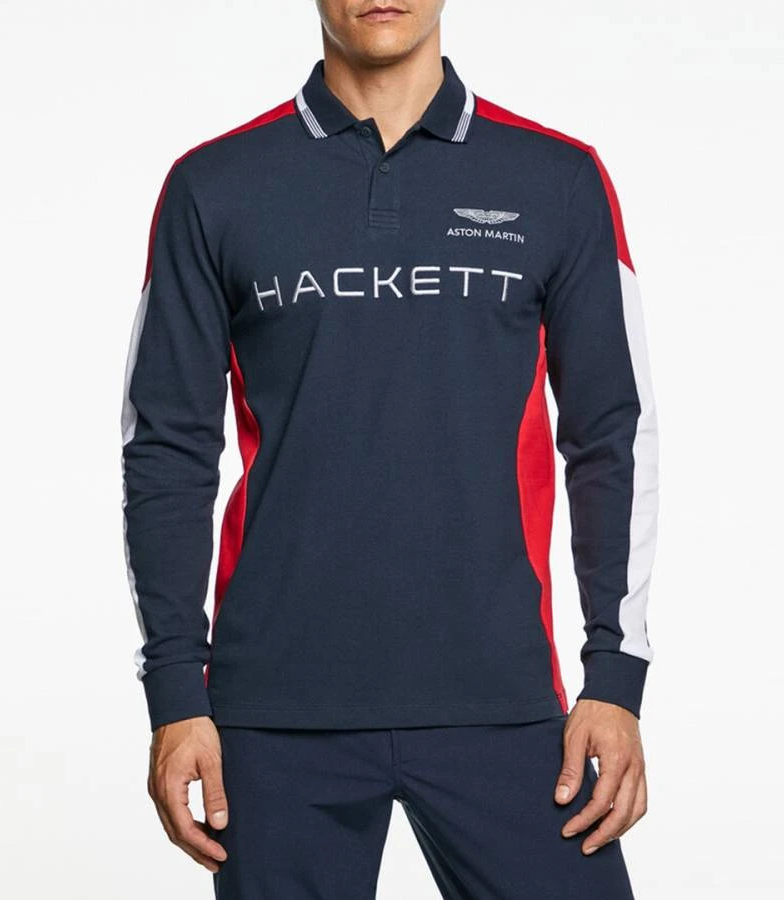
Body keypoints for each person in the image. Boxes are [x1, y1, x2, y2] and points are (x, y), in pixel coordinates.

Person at [119, 1, 659, 897]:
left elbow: (610, 434)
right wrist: (175, 692)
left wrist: (616, 673)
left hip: (502, 698)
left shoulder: (556, 178)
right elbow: (165, 449)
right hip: (273, 713)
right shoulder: (214, 186)